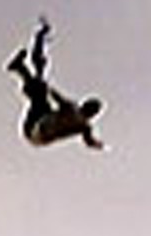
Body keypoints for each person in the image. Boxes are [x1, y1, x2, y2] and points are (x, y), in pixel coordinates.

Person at [6, 17, 105, 150]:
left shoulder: (71, 109)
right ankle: (20, 68)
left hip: (34, 127)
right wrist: (99, 145)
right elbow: (89, 141)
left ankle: (20, 68)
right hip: (39, 136)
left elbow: (57, 97)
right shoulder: (85, 126)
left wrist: (46, 84)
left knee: (40, 97)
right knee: (40, 98)